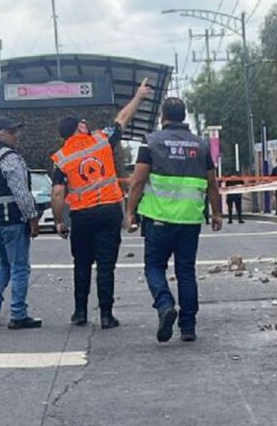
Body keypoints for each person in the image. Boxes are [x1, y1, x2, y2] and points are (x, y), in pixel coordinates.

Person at [50, 82, 153, 329]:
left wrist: (59, 221)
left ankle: (80, 312)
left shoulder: (61, 158)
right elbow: (123, 118)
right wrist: (138, 96)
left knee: (82, 264)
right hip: (108, 211)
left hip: (82, 215)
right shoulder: (101, 139)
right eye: (83, 122)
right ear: (79, 127)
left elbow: (57, 193)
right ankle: (106, 315)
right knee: (106, 265)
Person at [126, 97, 222, 343]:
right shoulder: (200, 146)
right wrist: (216, 213)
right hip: (190, 220)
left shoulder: (151, 142)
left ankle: (165, 304)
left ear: (163, 117)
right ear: (184, 116)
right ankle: (188, 327)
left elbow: (137, 181)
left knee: (154, 267)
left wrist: (130, 212)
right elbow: (212, 183)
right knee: (186, 271)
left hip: (158, 219)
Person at [0, 118, 42, 330]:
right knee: (20, 267)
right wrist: (32, 217)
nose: (16, 136)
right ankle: (18, 313)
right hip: (12, 219)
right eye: (12, 132)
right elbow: (20, 190)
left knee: (3, 263)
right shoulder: (9, 158)